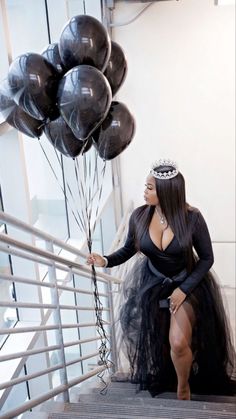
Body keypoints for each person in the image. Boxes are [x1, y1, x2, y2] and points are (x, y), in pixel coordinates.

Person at [87, 159, 236, 400]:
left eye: (149, 188)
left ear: (167, 191)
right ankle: (171, 373)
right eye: (145, 186)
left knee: (178, 342)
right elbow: (127, 250)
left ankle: (183, 386)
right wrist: (104, 260)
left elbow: (207, 259)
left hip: (187, 284)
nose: (144, 192)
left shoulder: (193, 219)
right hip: (153, 284)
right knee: (161, 341)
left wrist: (183, 290)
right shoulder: (139, 216)